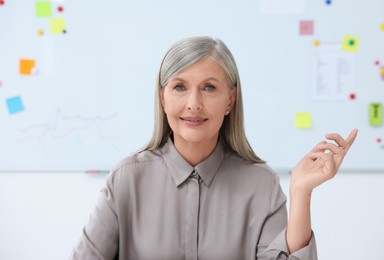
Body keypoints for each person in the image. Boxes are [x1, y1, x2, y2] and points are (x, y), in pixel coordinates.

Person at [70, 36, 358, 260]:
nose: (193, 103)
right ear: (163, 98)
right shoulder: (126, 179)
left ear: (230, 100)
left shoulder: (261, 184)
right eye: (179, 87)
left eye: (209, 88)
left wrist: (300, 191)